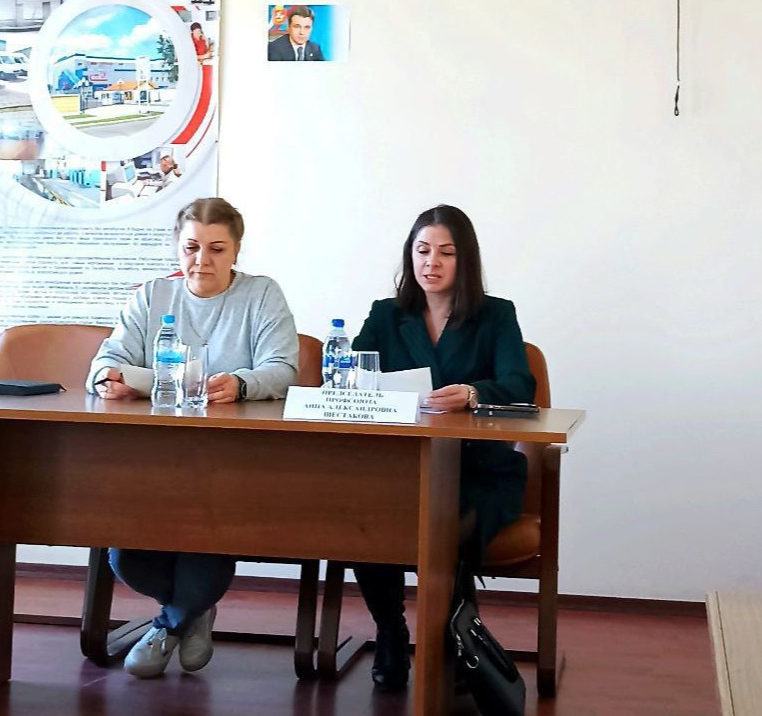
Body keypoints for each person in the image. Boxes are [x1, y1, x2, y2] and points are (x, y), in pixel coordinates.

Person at [87, 197, 299, 680]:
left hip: (230, 459)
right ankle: (193, 610)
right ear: (177, 248)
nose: (202, 260)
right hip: (153, 459)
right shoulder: (152, 296)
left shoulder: (261, 295)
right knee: (126, 557)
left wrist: (241, 383)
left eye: (216, 249)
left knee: (206, 538)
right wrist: (108, 379)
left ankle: (170, 623)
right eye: (191, 247)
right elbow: (107, 359)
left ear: (236, 250)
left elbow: (284, 368)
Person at [350, 204, 535, 692]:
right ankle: (391, 632)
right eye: (422, 250)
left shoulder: (496, 315)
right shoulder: (386, 315)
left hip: (477, 470)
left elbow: (520, 384)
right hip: (402, 467)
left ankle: (454, 640)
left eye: (446, 253)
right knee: (365, 518)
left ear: (464, 259)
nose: (431, 262)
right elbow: (353, 375)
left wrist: (473, 393)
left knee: (447, 524)